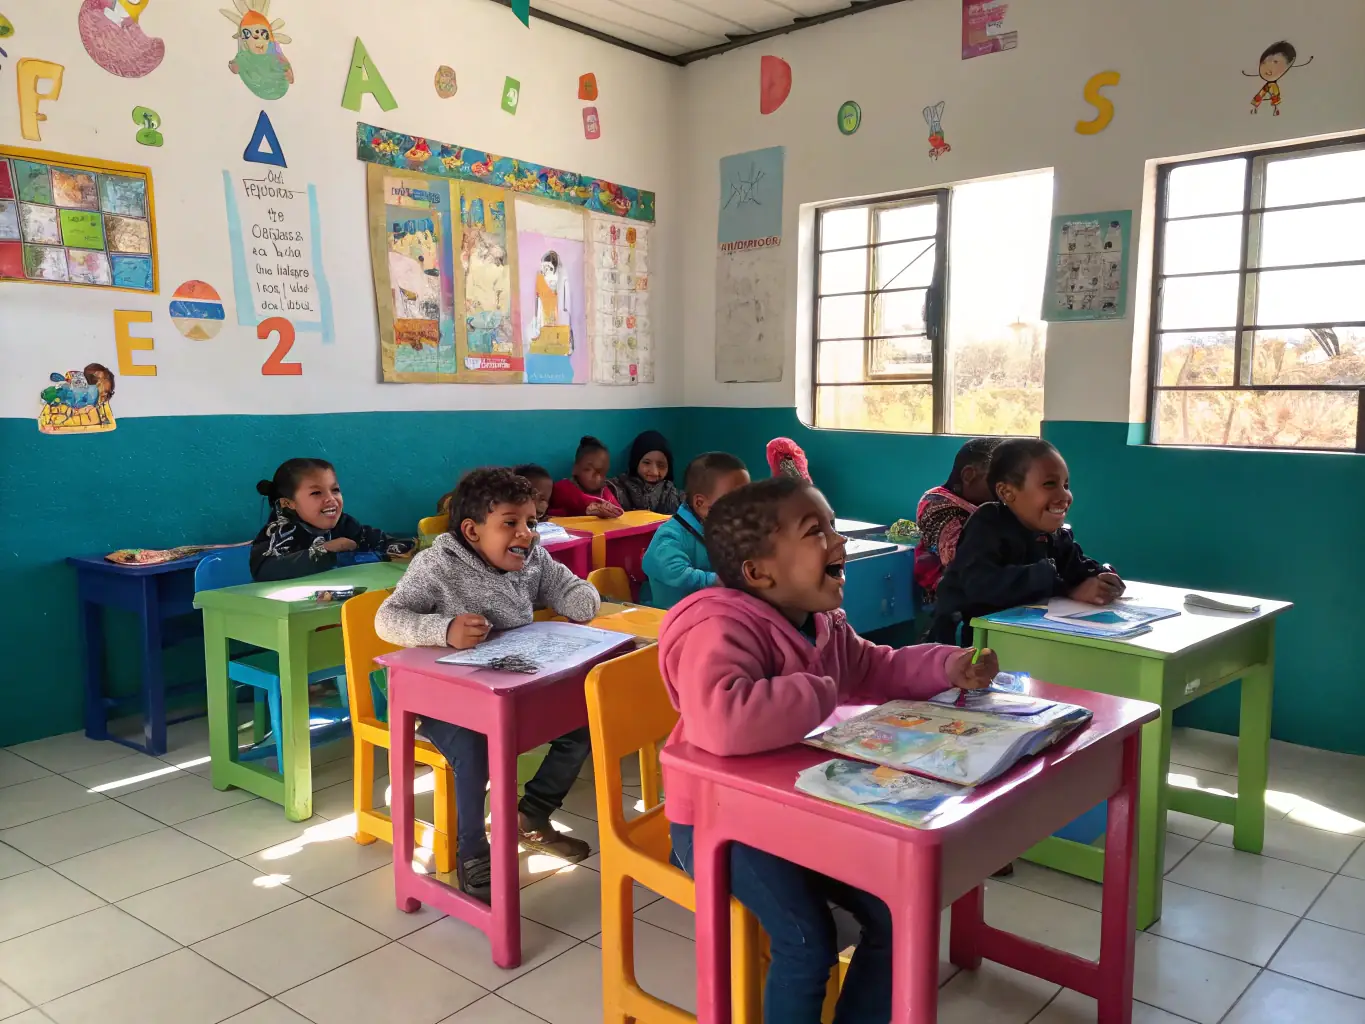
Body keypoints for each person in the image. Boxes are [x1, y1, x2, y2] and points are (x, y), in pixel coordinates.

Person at [659, 476, 998, 1024]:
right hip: (720, 826)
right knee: (806, 940)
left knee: (897, 915)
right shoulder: (719, 627)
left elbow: (873, 667)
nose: (837, 543)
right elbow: (721, 723)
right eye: (816, 532)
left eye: (833, 528)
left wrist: (944, 665)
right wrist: (820, 690)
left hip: (800, 808)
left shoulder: (820, 622)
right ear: (759, 572)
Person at [375, 468, 602, 901]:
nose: (527, 534)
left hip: (509, 688)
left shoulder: (531, 558)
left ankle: (531, 816)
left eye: (532, 522)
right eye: (512, 524)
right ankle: (473, 851)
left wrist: (579, 599)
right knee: (476, 746)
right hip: (439, 700)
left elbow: (573, 589)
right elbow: (387, 619)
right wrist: (445, 630)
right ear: (472, 531)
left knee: (582, 722)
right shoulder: (436, 565)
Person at [930, 437, 1124, 646]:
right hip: (965, 646)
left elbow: (1074, 567)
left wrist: (1102, 579)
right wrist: (1064, 586)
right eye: (1050, 484)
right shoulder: (988, 524)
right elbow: (981, 585)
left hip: (1019, 638)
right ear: (1007, 492)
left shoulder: (1053, 533)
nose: (1064, 495)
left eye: (1065, 484)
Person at [249, 458, 410, 582]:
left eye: (335, 490)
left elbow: (376, 540)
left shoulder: (344, 524)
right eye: (316, 493)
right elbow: (264, 570)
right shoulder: (281, 531)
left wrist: (401, 548)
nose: (331, 499)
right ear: (288, 503)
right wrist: (323, 550)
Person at [641, 452, 749, 608]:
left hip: (707, 612)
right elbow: (672, 570)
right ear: (700, 503)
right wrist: (713, 580)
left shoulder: (717, 529)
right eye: (733, 503)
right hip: (668, 618)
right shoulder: (670, 534)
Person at [914, 438, 999, 605]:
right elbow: (957, 558)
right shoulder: (938, 505)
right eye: (998, 481)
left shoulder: (985, 505)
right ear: (969, 476)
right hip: (954, 602)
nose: (1005, 488)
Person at [549, 435, 622, 518]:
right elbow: (572, 506)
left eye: (602, 473)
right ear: (575, 468)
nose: (598, 478)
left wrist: (612, 511)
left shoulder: (604, 491)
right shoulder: (563, 488)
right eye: (589, 469)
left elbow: (620, 512)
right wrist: (594, 510)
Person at [611, 430, 682, 514]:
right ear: (636, 462)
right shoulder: (615, 489)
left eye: (661, 465)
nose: (654, 472)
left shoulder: (674, 496)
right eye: (647, 463)